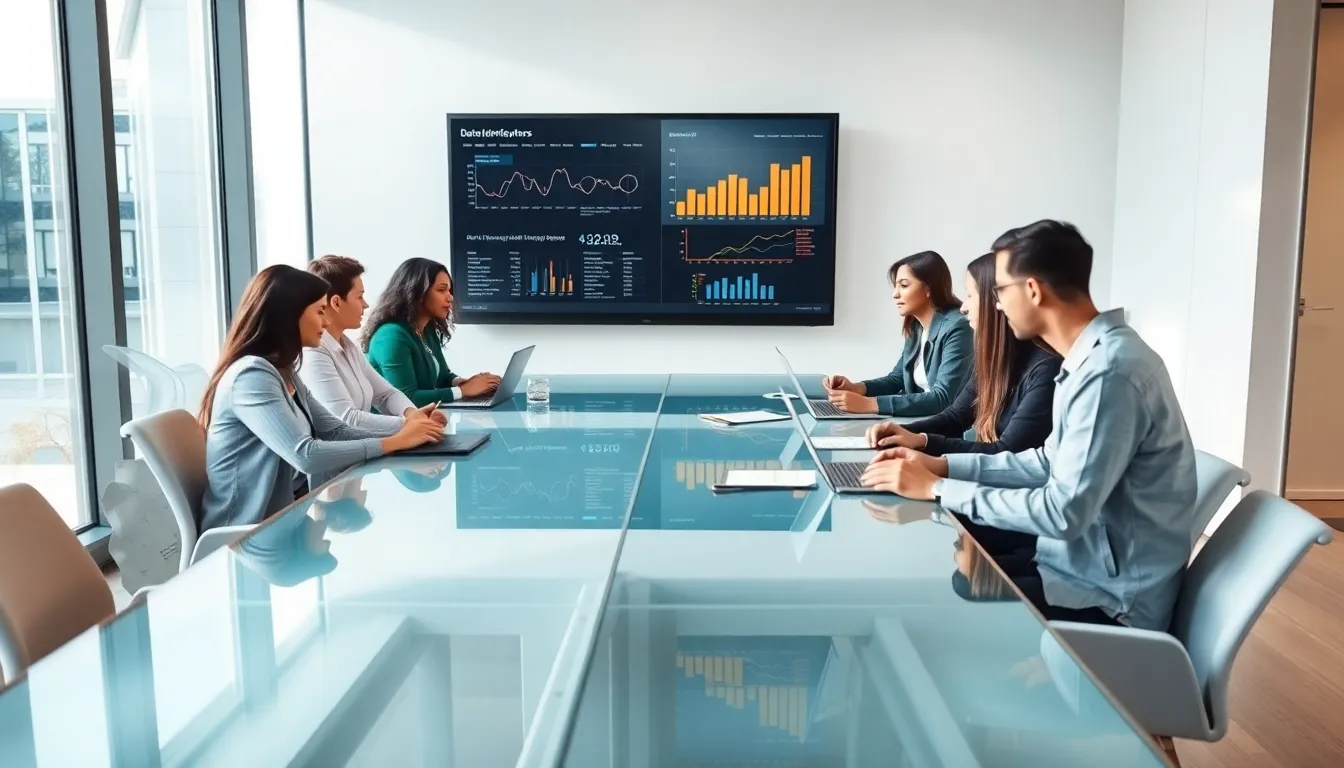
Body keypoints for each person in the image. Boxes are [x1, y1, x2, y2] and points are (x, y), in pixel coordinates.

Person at [860, 220, 1197, 631]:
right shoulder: (1091, 357)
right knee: (947, 571)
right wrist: (940, 466)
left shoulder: (1108, 373)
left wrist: (937, 488)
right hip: (1077, 563)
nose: (994, 304)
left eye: (999, 290)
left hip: (1110, 599)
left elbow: (1062, 512)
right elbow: (1044, 463)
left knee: (935, 602)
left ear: (1033, 290)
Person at [198, 265, 444, 532]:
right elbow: (306, 455)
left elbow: (335, 429)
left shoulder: (284, 370)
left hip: (282, 521)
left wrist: (412, 429)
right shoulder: (251, 376)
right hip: (243, 534)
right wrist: (394, 441)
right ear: (289, 316)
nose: (326, 322)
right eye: (319, 312)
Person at [863, 252, 1060, 456]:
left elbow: (1006, 452)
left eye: (970, 295)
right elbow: (955, 418)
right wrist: (903, 432)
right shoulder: (994, 360)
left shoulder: (1047, 369)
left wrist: (922, 441)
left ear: (997, 300)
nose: (963, 307)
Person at [300, 255, 446, 435]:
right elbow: (346, 419)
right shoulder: (314, 352)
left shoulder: (348, 346)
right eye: (359, 297)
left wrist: (414, 415)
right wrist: (409, 425)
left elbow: (387, 395)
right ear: (336, 302)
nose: (366, 304)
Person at [822, 251, 972, 416]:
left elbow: (943, 398)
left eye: (904, 285)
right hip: (920, 420)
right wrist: (857, 388)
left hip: (945, 428)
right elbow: (897, 379)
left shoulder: (958, 327)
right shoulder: (917, 326)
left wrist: (869, 404)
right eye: (896, 286)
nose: (895, 294)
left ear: (929, 288)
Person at [361, 258, 500, 407]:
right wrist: (463, 391)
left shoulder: (426, 329)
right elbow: (406, 398)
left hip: (422, 420)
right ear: (416, 292)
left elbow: (443, 377)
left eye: (450, 291)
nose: (450, 297)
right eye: (442, 290)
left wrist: (466, 383)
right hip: (392, 427)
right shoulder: (391, 336)